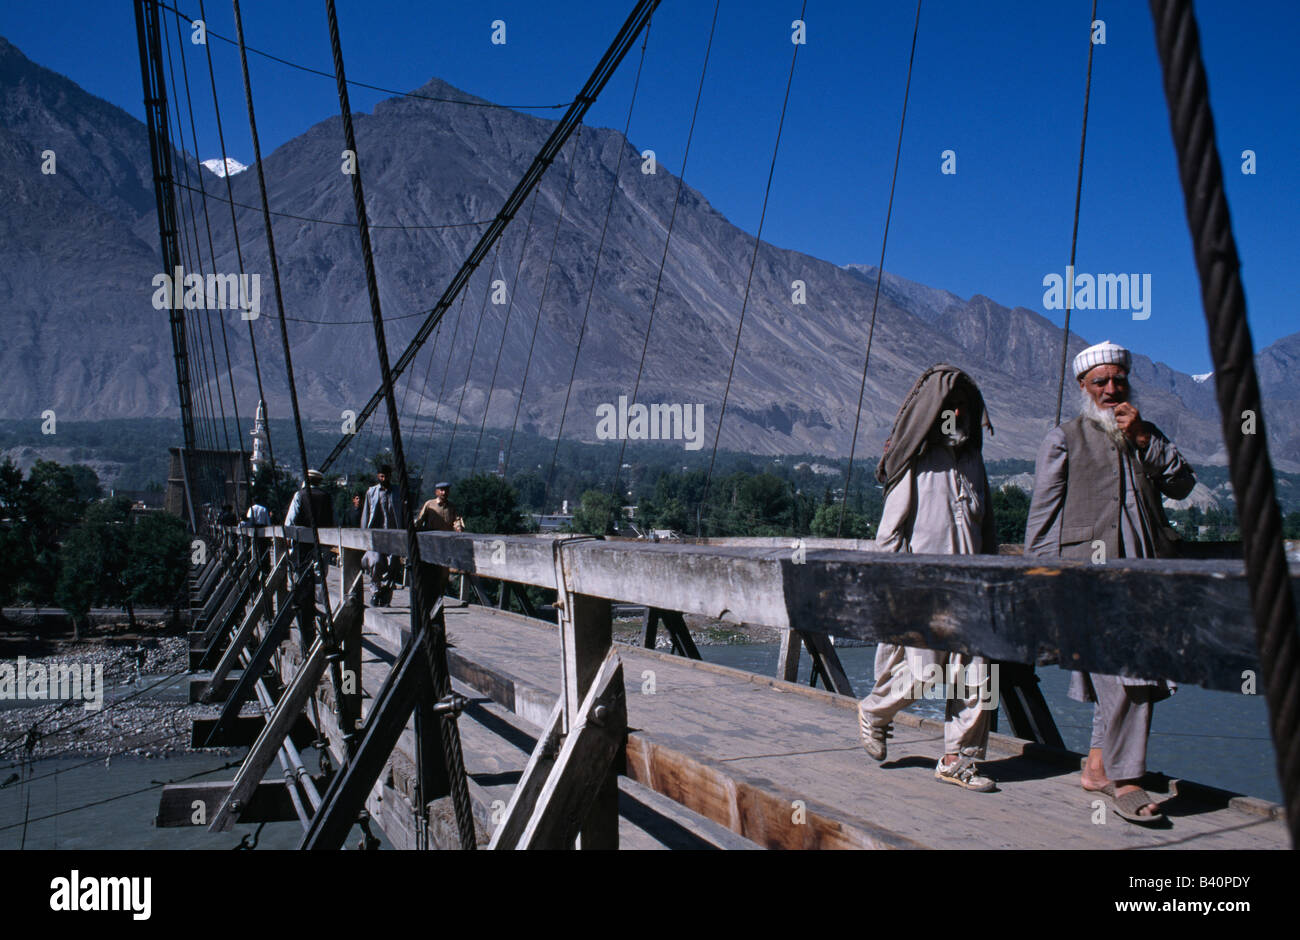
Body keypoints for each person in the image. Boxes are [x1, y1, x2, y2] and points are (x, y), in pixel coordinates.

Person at [1025, 340, 1196, 825]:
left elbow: (1182, 485)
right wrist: (1041, 581)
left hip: (1145, 576)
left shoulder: (1145, 434)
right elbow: (1042, 517)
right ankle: (1128, 781)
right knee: (1129, 677)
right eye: (1099, 382)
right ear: (1083, 387)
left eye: (1117, 381)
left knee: (1127, 676)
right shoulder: (1065, 438)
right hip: (1090, 579)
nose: (1110, 389)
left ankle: (1098, 767)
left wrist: (1143, 440)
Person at [856, 364, 999, 792]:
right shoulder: (915, 461)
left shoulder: (973, 460)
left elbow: (986, 526)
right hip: (925, 589)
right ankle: (876, 711)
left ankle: (960, 760)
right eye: (950, 406)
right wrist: (897, 586)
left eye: (965, 406)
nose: (958, 413)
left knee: (979, 679)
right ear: (934, 412)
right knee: (925, 672)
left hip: (973, 590)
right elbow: (890, 534)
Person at [361, 464, 404, 606]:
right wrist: (364, 534)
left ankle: (386, 595)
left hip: (394, 535)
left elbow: (402, 513)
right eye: (381, 476)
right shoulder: (371, 492)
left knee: (393, 565)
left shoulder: (397, 492)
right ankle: (374, 592)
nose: (384, 478)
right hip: (376, 536)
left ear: (390, 476)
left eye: (386, 476)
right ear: (378, 476)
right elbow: (367, 513)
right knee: (376, 562)